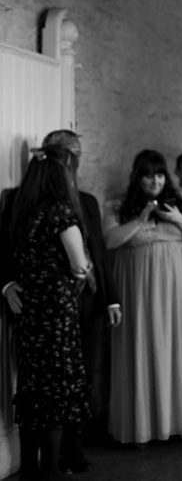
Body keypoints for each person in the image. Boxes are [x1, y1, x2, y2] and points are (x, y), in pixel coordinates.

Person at [1, 130, 120, 470]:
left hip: (54, 307)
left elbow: (99, 250)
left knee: (49, 383)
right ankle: (52, 466)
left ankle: (63, 454)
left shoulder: (81, 201)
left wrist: (109, 298)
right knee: (59, 384)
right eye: (68, 154)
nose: (74, 161)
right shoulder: (29, 204)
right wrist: (7, 284)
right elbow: (80, 262)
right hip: (57, 306)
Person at [105, 150, 182, 445]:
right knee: (142, 343)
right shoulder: (117, 204)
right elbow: (109, 241)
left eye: (160, 175)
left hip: (179, 284)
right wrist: (141, 220)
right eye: (148, 175)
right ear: (138, 176)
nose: (155, 181)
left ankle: (181, 421)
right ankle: (143, 425)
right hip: (139, 286)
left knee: (178, 343)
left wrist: (177, 219)